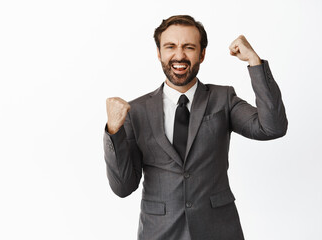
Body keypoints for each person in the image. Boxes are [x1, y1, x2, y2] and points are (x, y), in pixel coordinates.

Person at [103, 15, 287, 240]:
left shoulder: (223, 98)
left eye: (189, 47)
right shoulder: (136, 111)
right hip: (160, 232)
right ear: (159, 53)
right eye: (170, 46)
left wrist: (254, 62)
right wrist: (114, 131)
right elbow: (123, 187)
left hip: (218, 230)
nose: (179, 55)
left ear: (202, 54)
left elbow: (272, 128)